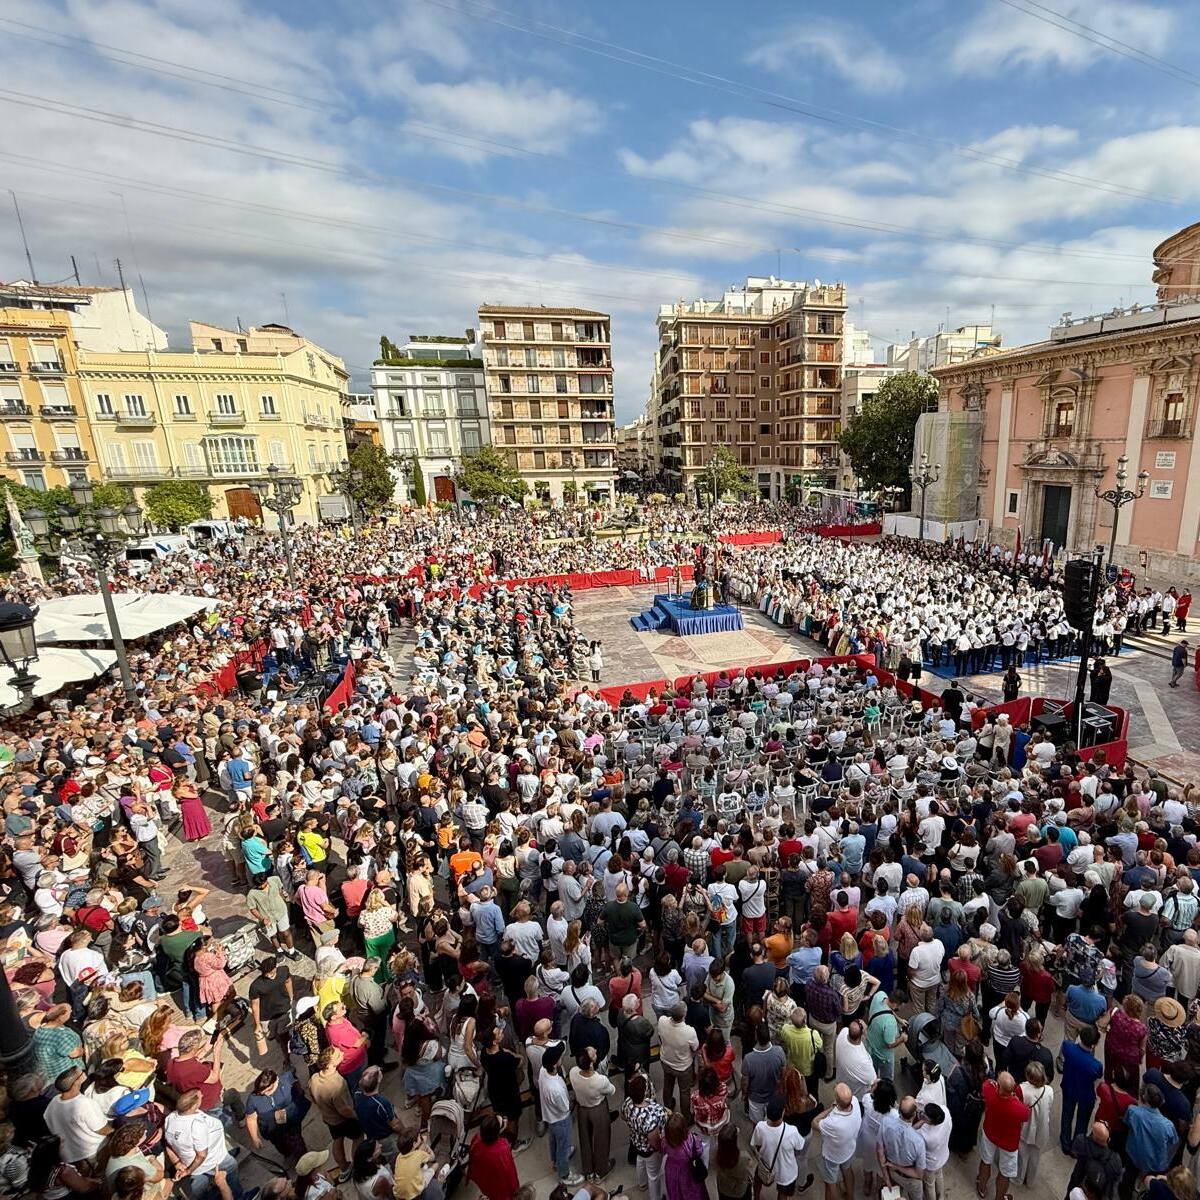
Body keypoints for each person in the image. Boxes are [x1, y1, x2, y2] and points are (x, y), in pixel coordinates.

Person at [975, 1072, 1030, 1200]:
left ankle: (982, 1188)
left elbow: (987, 1084)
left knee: (986, 1161)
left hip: (990, 1133)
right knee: (1005, 1173)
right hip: (1009, 1143)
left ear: (998, 1087)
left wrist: (993, 1084)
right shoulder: (1019, 1109)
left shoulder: (989, 1092)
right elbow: (1026, 1115)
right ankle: (999, 1198)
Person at [750, 1094, 807, 1199]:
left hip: (766, 1164)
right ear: (783, 1112)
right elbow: (799, 1148)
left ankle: (756, 1197)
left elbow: (756, 1145)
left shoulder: (760, 1127)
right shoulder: (792, 1131)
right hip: (786, 1172)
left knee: (758, 1182)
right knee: (783, 1194)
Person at [812, 1083, 861, 1200]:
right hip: (849, 1149)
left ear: (837, 1102)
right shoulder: (854, 1101)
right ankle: (850, 1196)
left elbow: (814, 1122)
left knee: (830, 1183)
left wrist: (830, 1109)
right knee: (847, 1171)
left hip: (832, 1156)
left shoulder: (833, 1122)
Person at [468, 1115, 520, 1200]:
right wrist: (516, 1189)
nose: (504, 1120)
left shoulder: (477, 1139)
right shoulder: (502, 1149)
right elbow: (511, 1173)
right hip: (502, 1188)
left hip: (486, 1184)